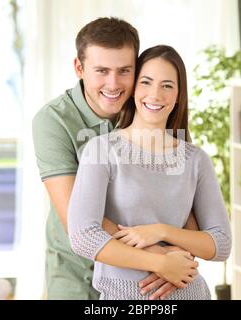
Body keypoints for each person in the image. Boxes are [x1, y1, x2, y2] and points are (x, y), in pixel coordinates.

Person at [32, 17, 198, 300]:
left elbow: (186, 203)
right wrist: (160, 258)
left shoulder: (149, 109)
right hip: (79, 277)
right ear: (79, 68)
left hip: (145, 283)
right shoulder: (53, 121)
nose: (113, 83)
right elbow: (79, 220)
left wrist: (179, 255)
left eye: (124, 71)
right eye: (101, 71)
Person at [68, 45, 232, 300]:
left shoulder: (196, 160)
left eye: (167, 85)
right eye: (146, 82)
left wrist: (161, 231)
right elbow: (83, 236)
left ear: (179, 95)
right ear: (134, 88)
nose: (155, 94)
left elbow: (221, 244)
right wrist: (161, 262)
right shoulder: (101, 149)